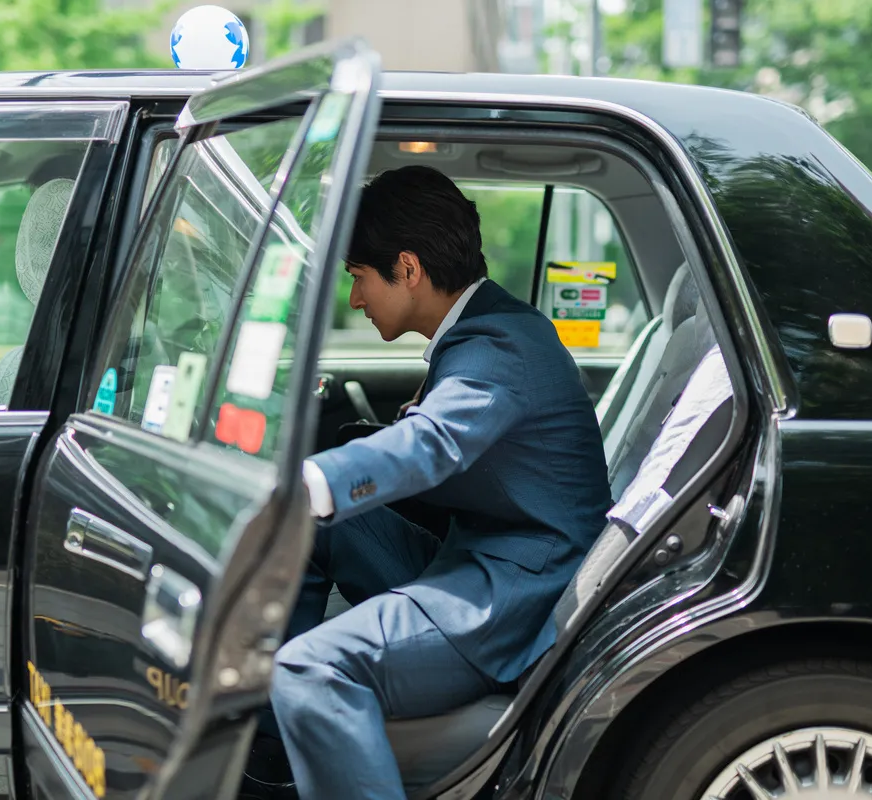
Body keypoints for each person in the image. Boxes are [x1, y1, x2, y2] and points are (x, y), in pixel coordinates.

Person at [246, 166, 612, 800]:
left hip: (511, 596)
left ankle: (304, 702)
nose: (355, 299)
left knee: (309, 668)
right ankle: (279, 745)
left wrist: (313, 480)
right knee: (312, 525)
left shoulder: (499, 346)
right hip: (476, 557)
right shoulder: (484, 330)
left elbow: (432, 442)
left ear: (407, 268)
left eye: (358, 277)